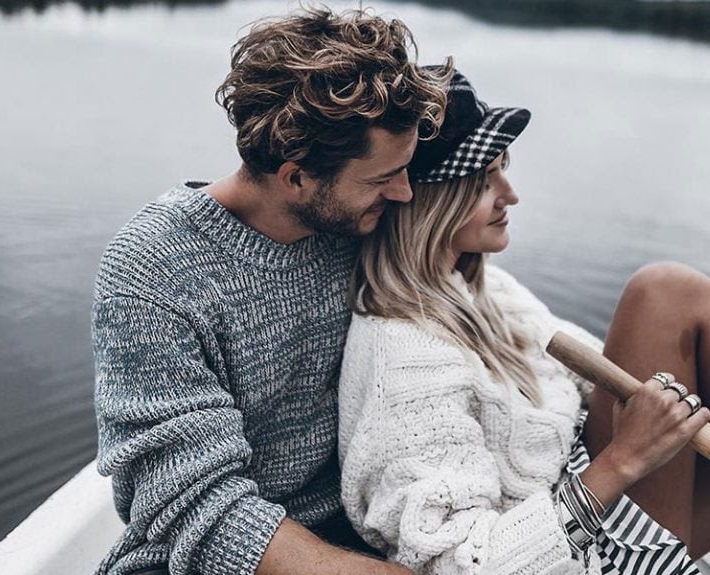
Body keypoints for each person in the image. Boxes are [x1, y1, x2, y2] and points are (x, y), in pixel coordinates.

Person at [337, 69, 710, 574]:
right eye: (484, 181)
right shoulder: (403, 359)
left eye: (504, 169)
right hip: (580, 555)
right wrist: (623, 460)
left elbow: (612, 386)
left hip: (599, 503)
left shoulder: (483, 289)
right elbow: (459, 566)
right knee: (664, 294)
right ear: (431, 201)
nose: (510, 195)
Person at [91, 9, 453, 575]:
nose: (405, 193)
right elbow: (196, 509)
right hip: (197, 554)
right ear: (296, 178)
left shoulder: (356, 223)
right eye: (384, 179)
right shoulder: (151, 272)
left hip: (351, 525)